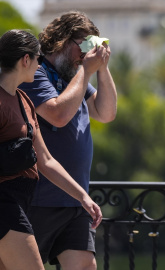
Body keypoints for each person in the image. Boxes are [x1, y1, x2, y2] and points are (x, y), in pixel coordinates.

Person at [19, 11, 117, 270]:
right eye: (84, 44)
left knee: (85, 266)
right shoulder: (34, 73)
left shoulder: (75, 77)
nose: (87, 54)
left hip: (75, 198)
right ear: (63, 40)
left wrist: (102, 70)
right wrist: (86, 69)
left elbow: (105, 113)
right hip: (38, 198)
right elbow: (57, 115)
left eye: (93, 45)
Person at [0, 29, 102, 270]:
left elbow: (46, 161)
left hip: (20, 200)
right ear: (26, 59)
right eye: (37, 59)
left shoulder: (24, 100)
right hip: (5, 203)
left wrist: (83, 197)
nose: (39, 65)